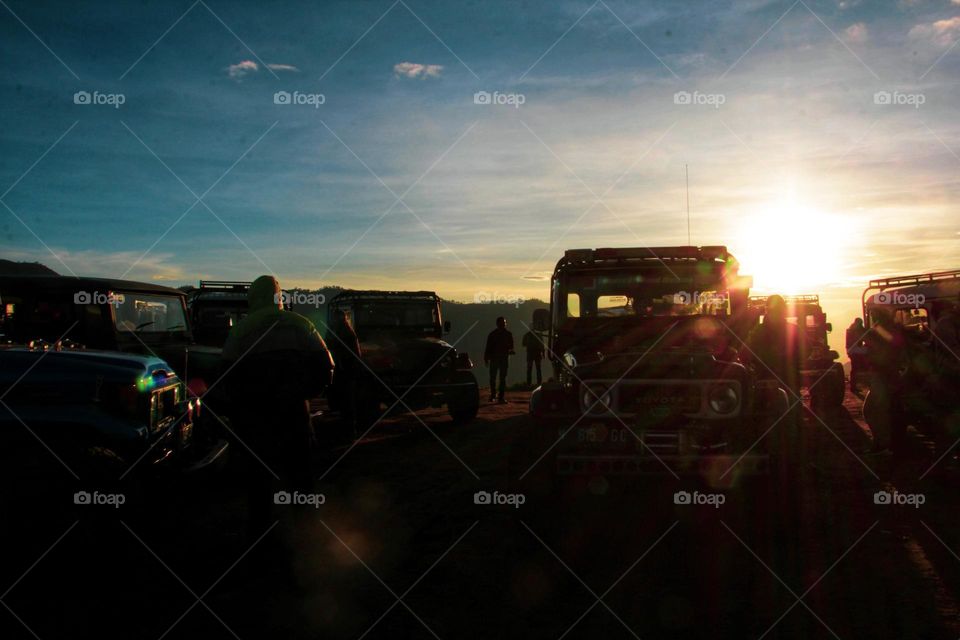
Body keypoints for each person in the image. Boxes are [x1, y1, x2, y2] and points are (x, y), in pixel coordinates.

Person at [221, 275, 333, 538]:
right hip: (295, 415)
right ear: (279, 296)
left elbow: (226, 375)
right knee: (300, 475)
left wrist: (241, 407)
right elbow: (327, 367)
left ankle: (260, 533)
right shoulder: (301, 325)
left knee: (258, 479)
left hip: (255, 421)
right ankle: (307, 531)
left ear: (253, 297)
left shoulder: (241, 330)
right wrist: (305, 394)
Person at [484, 316, 514, 403]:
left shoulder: (494, 334)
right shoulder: (504, 334)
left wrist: (486, 358)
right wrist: (486, 357)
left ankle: (498, 396)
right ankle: (497, 396)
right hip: (499, 358)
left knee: (500, 378)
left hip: (500, 358)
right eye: (502, 323)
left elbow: (511, 347)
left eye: (504, 323)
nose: (503, 325)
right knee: (497, 378)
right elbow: (488, 347)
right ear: (498, 324)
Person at [846, 317, 866, 393]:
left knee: (854, 369)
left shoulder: (850, 329)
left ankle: (853, 386)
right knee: (855, 369)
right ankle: (853, 387)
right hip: (855, 350)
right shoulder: (855, 330)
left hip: (851, 350)